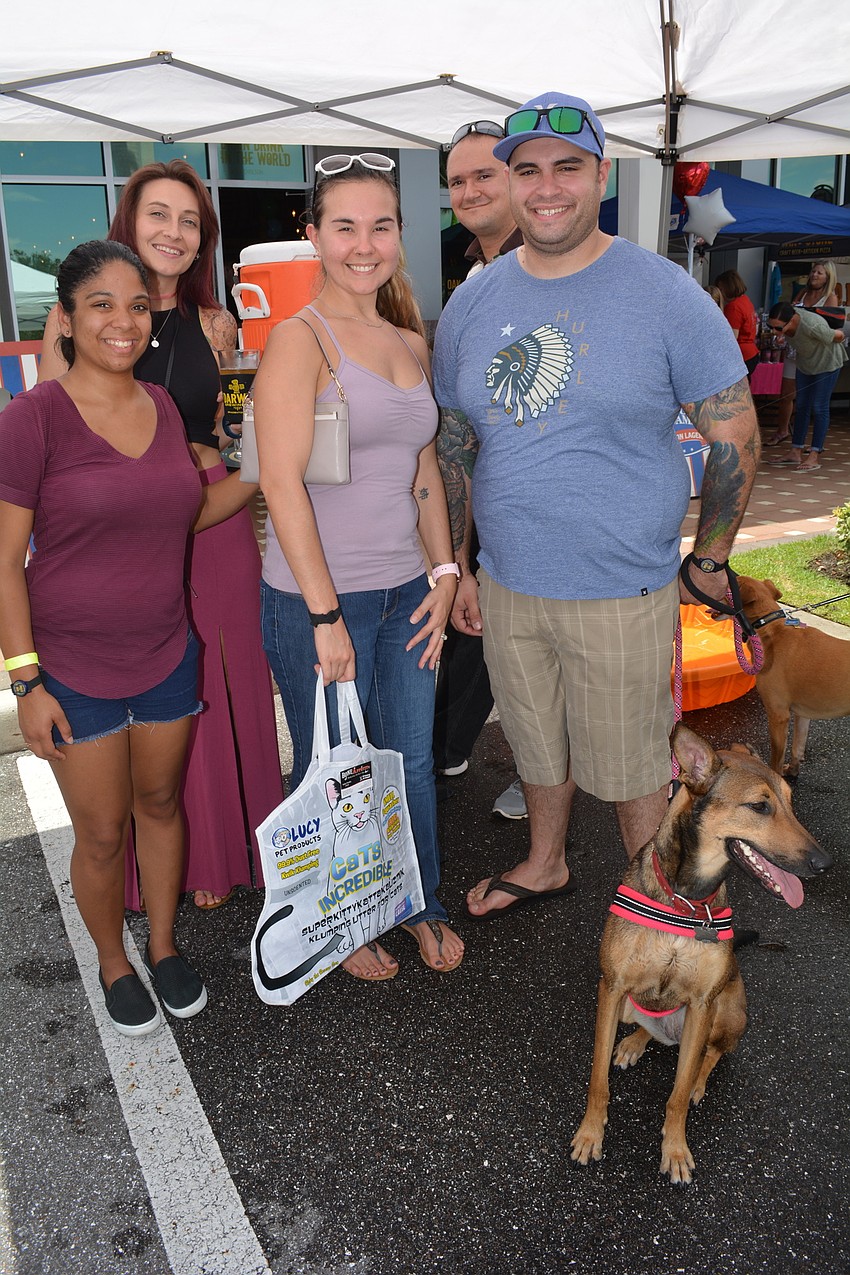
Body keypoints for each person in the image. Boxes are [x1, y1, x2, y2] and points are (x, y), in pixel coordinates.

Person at [433, 90, 760, 919]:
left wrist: (712, 559)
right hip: (508, 583)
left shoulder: (663, 292)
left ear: (600, 175)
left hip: (621, 588)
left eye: (567, 168)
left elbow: (735, 432)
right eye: (528, 169)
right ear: (507, 182)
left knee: (632, 767)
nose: (547, 187)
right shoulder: (472, 302)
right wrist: (463, 564)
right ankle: (545, 860)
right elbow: (459, 444)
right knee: (536, 743)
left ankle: (666, 916)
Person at [0, 241, 260, 1034]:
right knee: (103, 831)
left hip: (166, 654)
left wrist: (257, 464)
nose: (124, 319)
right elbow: (5, 561)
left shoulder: (160, 406)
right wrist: (24, 682)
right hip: (72, 666)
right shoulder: (31, 417)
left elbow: (187, 513)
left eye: (138, 305)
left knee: (160, 805)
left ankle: (167, 944)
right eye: (103, 304)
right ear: (68, 319)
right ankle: (115, 959)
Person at [39, 161, 283, 912]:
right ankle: (162, 869)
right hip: (124, 531)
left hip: (215, 524)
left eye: (188, 220)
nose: (173, 232)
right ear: (128, 224)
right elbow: (60, 438)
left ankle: (229, 847)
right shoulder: (75, 323)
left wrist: (230, 443)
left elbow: (227, 429)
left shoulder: (216, 323)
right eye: (158, 216)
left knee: (217, 681)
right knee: (151, 693)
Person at [253, 153, 464, 978]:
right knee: (334, 767)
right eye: (344, 226)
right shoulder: (298, 342)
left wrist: (445, 576)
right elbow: (279, 482)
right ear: (313, 235)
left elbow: (422, 473)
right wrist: (323, 615)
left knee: (408, 757)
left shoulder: (409, 338)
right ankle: (340, 919)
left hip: (408, 589)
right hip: (319, 598)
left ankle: (418, 899)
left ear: (400, 237)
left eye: (380, 225)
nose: (363, 243)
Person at [434, 121, 527, 819]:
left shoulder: (550, 264)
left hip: (541, 507)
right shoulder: (472, 274)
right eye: (457, 180)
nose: (468, 190)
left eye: (483, 175)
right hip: (485, 501)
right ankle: (462, 749)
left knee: (533, 650)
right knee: (496, 639)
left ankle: (542, 777)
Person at [766, 301, 847, 472]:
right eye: (771, 327)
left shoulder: (812, 325)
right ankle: (795, 451)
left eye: (779, 329)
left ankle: (814, 455)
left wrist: (841, 332)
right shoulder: (787, 321)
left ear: (792, 320)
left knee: (819, 407)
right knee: (801, 405)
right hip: (805, 365)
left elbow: (839, 336)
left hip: (828, 365)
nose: (774, 332)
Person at [767, 261, 839, 447]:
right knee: (788, 394)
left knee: (815, 402)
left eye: (820, 273)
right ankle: (785, 432)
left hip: (817, 352)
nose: (814, 275)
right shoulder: (803, 293)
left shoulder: (830, 297)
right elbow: (790, 315)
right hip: (794, 348)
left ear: (828, 277)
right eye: (813, 271)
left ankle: (813, 446)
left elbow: (831, 329)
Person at [714, 270, 759, 377]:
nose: (720, 292)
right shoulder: (745, 300)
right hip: (751, 352)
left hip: (742, 355)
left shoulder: (733, 307)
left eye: (720, 288)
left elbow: (732, 338)